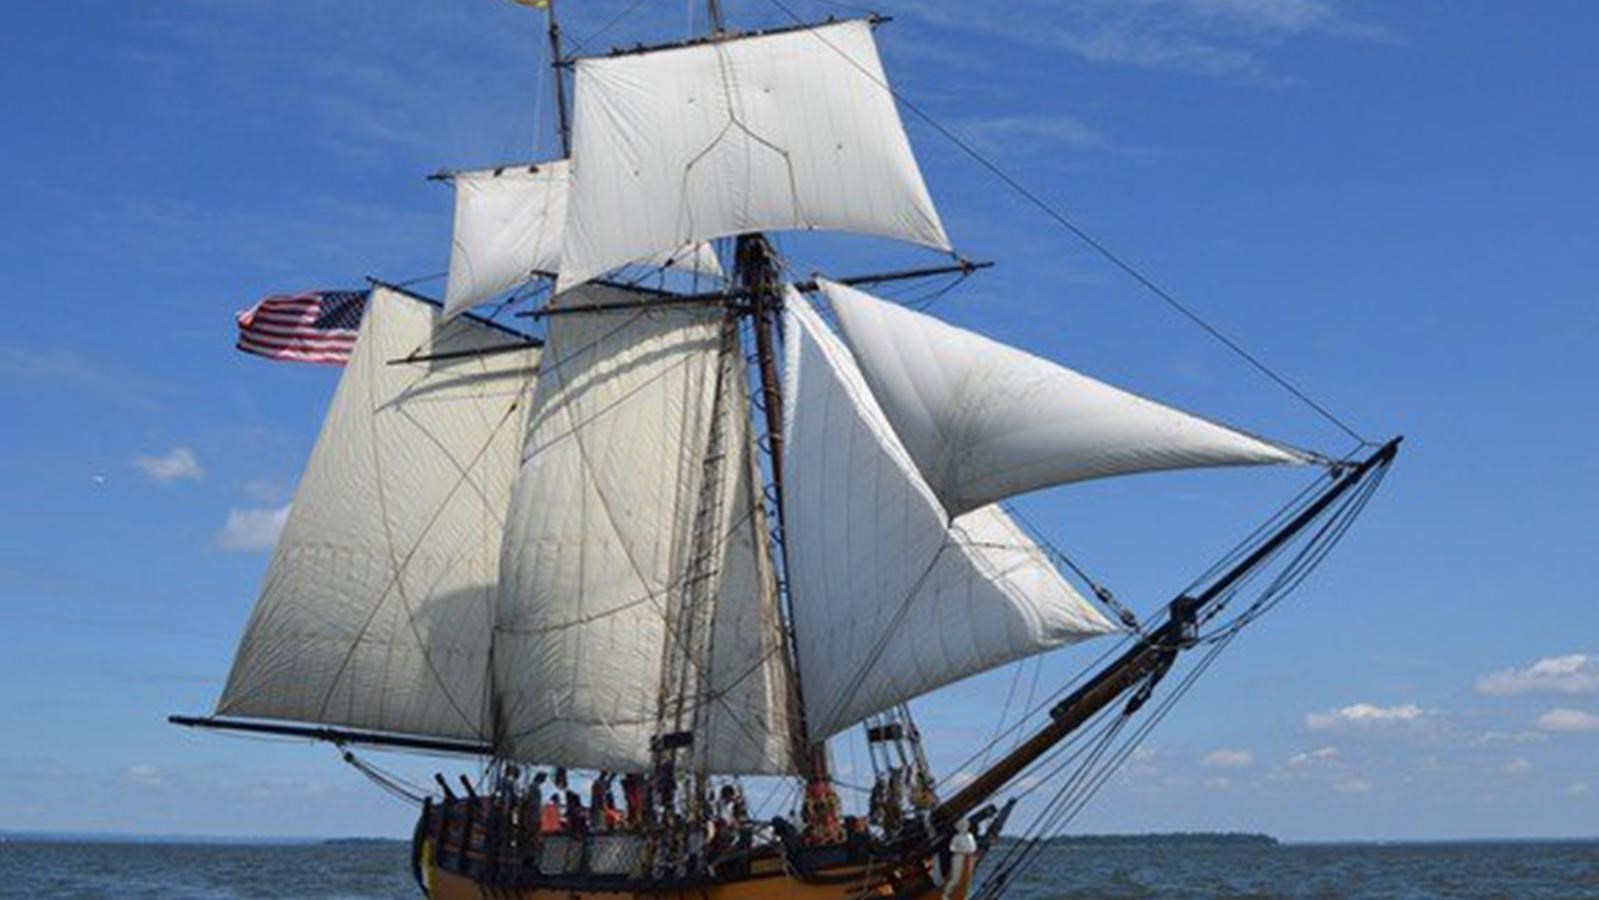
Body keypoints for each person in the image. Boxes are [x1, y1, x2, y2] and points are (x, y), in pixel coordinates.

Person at [943, 819, 978, 900]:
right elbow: (951, 848)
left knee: (966, 879)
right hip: (958, 857)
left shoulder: (970, 836)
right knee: (955, 879)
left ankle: (963, 895)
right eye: (961, 826)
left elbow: (973, 848)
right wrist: (961, 850)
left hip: (968, 858)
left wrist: (966, 850)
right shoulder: (956, 837)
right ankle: (946, 894)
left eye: (965, 826)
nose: (963, 828)